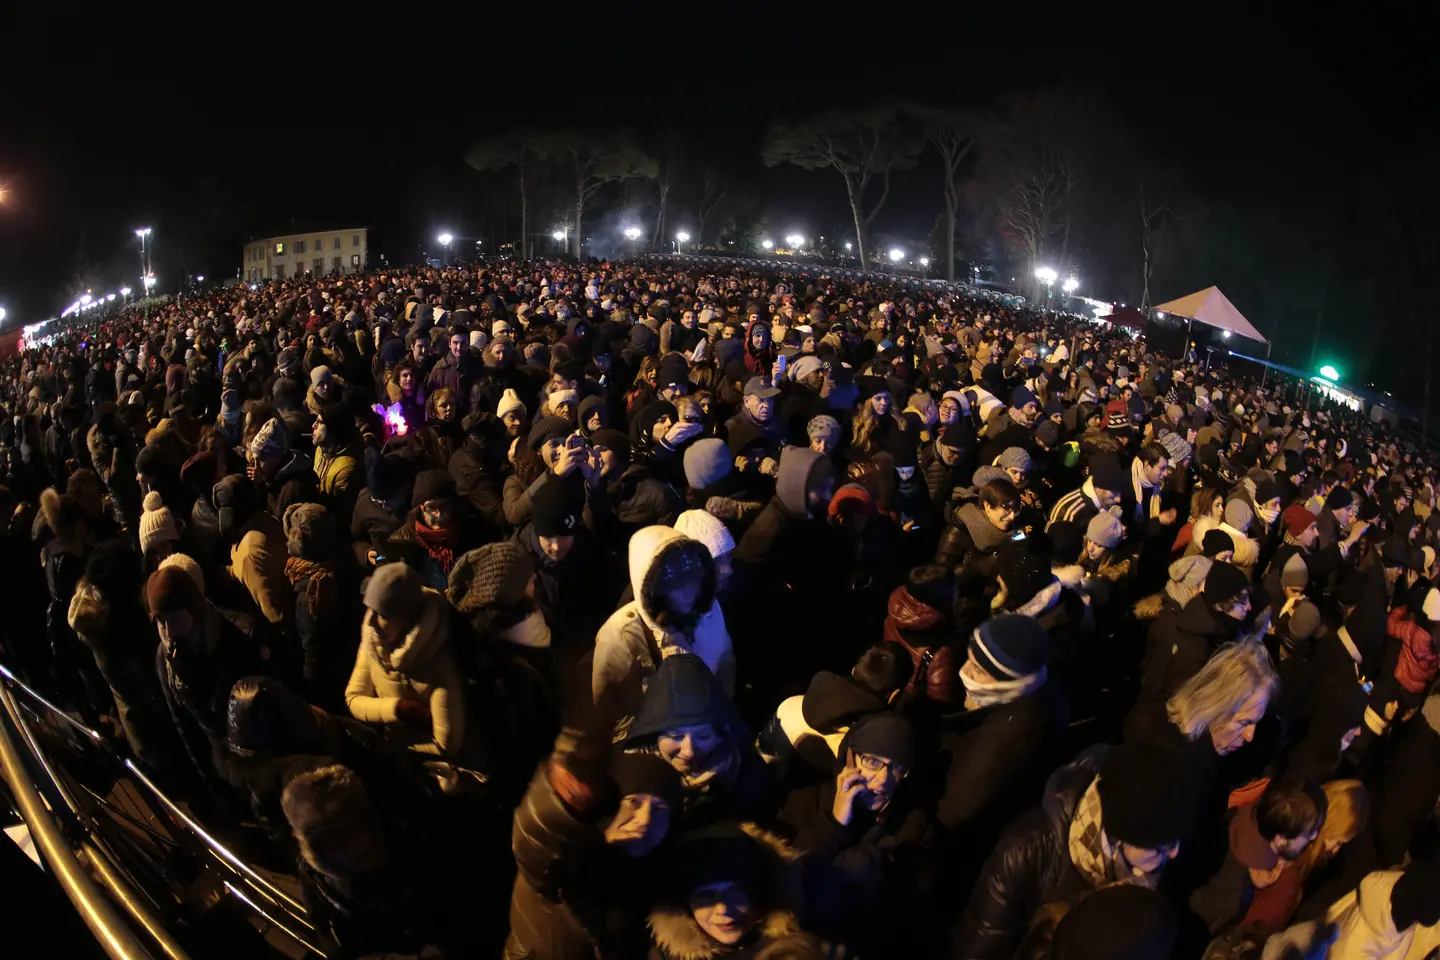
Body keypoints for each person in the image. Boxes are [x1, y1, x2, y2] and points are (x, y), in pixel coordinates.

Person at [954, 742, 1201, 960]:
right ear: (1115, 840)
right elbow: (980, 949)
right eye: (1160, 848)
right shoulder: (1024, 854)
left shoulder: (1145, 861)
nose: (1173, 854)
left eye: (1175, 841)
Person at [345, 562, 465, 758]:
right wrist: (397, 709)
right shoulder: (372, 642)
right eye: (370, 610)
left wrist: (395, 752)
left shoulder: (438, 663)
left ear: (408, 618)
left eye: (383, 614)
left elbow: (446, 745)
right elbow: (353, 697)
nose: (371, 622)